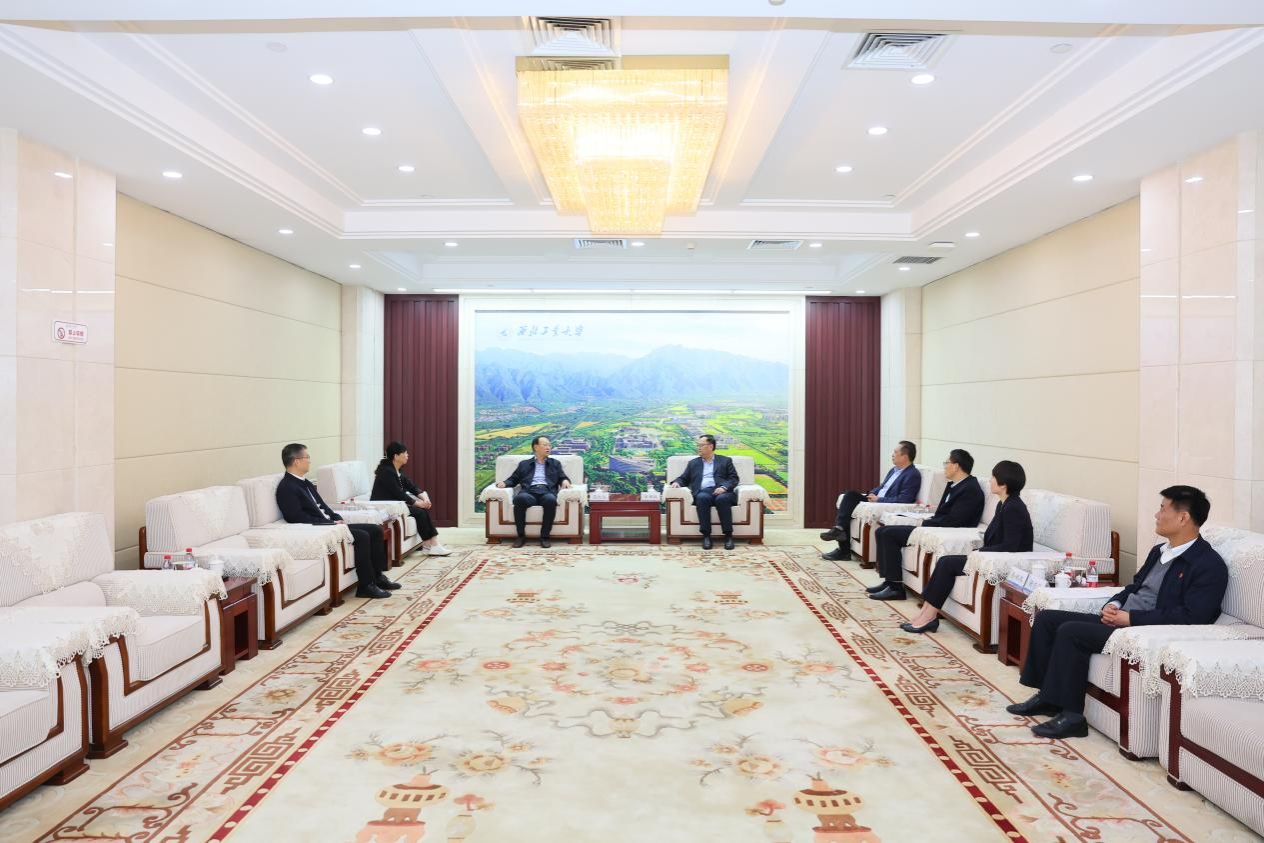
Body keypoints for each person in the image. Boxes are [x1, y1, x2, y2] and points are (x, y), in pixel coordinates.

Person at [1006, 485, 1228, 739]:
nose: (1156, 515)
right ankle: (1048, 698)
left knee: (1071, 632)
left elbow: (1193, 616)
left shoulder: (1208, 564)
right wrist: (1115, 604)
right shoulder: (1159, 551)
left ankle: (1073, 717)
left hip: (1142, 632)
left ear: (1183, 517)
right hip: (1123, 621)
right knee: (1047, 619)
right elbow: (1135, 586)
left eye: (1162, 509)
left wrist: (1131, 619)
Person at [886, 460, 1031, 619]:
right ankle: (926, 611)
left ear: (1003, 484)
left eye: (993, 477)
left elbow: (1011, 545)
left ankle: (929, 615)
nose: (990, 481)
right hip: (987, 557)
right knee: (944, 561)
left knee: (947, 563)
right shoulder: (1003, 504)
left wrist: (980, 552)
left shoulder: (1014, 508)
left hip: (998, 562)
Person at [276, 443, 398, 600]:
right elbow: (296, 517)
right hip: (320, 529)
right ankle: (366, 586)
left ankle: (377, 577)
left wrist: (336, 518)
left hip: (331, 524)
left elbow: (323, 506)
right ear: (296, 461)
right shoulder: (287, 487)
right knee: (362, 536)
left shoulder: (305, 482)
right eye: (307, 457)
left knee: (375, 529)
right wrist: (330, 524)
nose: (309, 460)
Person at [866, 449, 985, 600]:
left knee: (889, 534)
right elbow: (942, 513)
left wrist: (926, 523)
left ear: (956, 466)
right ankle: (890, 582)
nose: (944, 467)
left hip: (942, 531)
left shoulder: (970, 489)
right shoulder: (954, 485)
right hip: (934, 527)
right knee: (882, 531)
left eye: (946, 463)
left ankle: (896, 589)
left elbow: (955, 521)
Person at [820, 441, 921, 561]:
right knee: (849, 496)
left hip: (883, 503)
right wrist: (872, 493)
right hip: (875, 499)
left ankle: (843, 547)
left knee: (849, 500)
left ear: (904, 456)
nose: (892, 454)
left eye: (895, 452)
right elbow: (882, 487)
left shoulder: (912, 475)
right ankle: (839, 531)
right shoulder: (893, 470)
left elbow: (905, 499)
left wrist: (879, 499)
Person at [371, 441, 451, 557]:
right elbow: (399, 494)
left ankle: (429, 545)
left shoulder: (397, 471)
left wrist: (425, 498)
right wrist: (418, 503)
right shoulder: (386, 472)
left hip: (397, 505)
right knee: (420, 512)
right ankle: (433, 545)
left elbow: (412, 487)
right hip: (386, 507)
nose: (407, 455)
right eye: (405, 453)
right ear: (396, 456)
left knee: (422, 511)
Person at [496, 436, 571, 549]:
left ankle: (545, 537)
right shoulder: (524, 464)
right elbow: (514, 479)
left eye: (549, 445)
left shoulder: (555, 463)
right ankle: (521, 536)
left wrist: (565, 481)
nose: (548, 447)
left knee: (551, 500)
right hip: (529, 491)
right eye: (545, 445)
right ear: (536, 447)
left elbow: (562, 477)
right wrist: (505, 483)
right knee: (520, 499)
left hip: (547, 491)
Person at [671, 434, 742, 550]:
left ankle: (728, 536)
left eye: (701, 445)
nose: (698, 448)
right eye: (698, 445)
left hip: (723, 491)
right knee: (702, 498)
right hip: (704, 492)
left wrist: (724, 487)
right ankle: (706, 536)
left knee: (722, 499)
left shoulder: (725, 461)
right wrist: (677, 482)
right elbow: (684, 478)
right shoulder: (693, 463)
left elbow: (734, 479)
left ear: (711, 446)